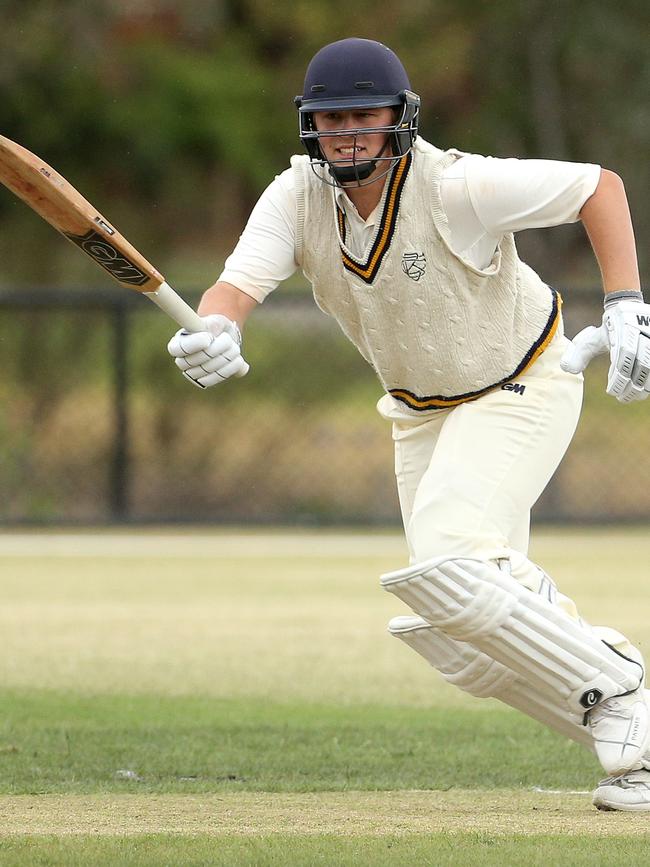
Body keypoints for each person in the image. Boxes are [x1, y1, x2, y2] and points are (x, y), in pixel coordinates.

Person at [167, 38, 650, 811]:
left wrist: (627, 303)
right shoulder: (294, 197)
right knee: (460, 627)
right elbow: (235, 284)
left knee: (452, 558)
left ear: (400, 118)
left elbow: (601, 186)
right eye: (331, 120)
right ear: (309, 126)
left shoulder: (458, 185)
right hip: (419, 414)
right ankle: (638, 753)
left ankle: (623, 683)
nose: (347, 134)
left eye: (364, 117)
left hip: (523, 379)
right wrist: (216, 329)